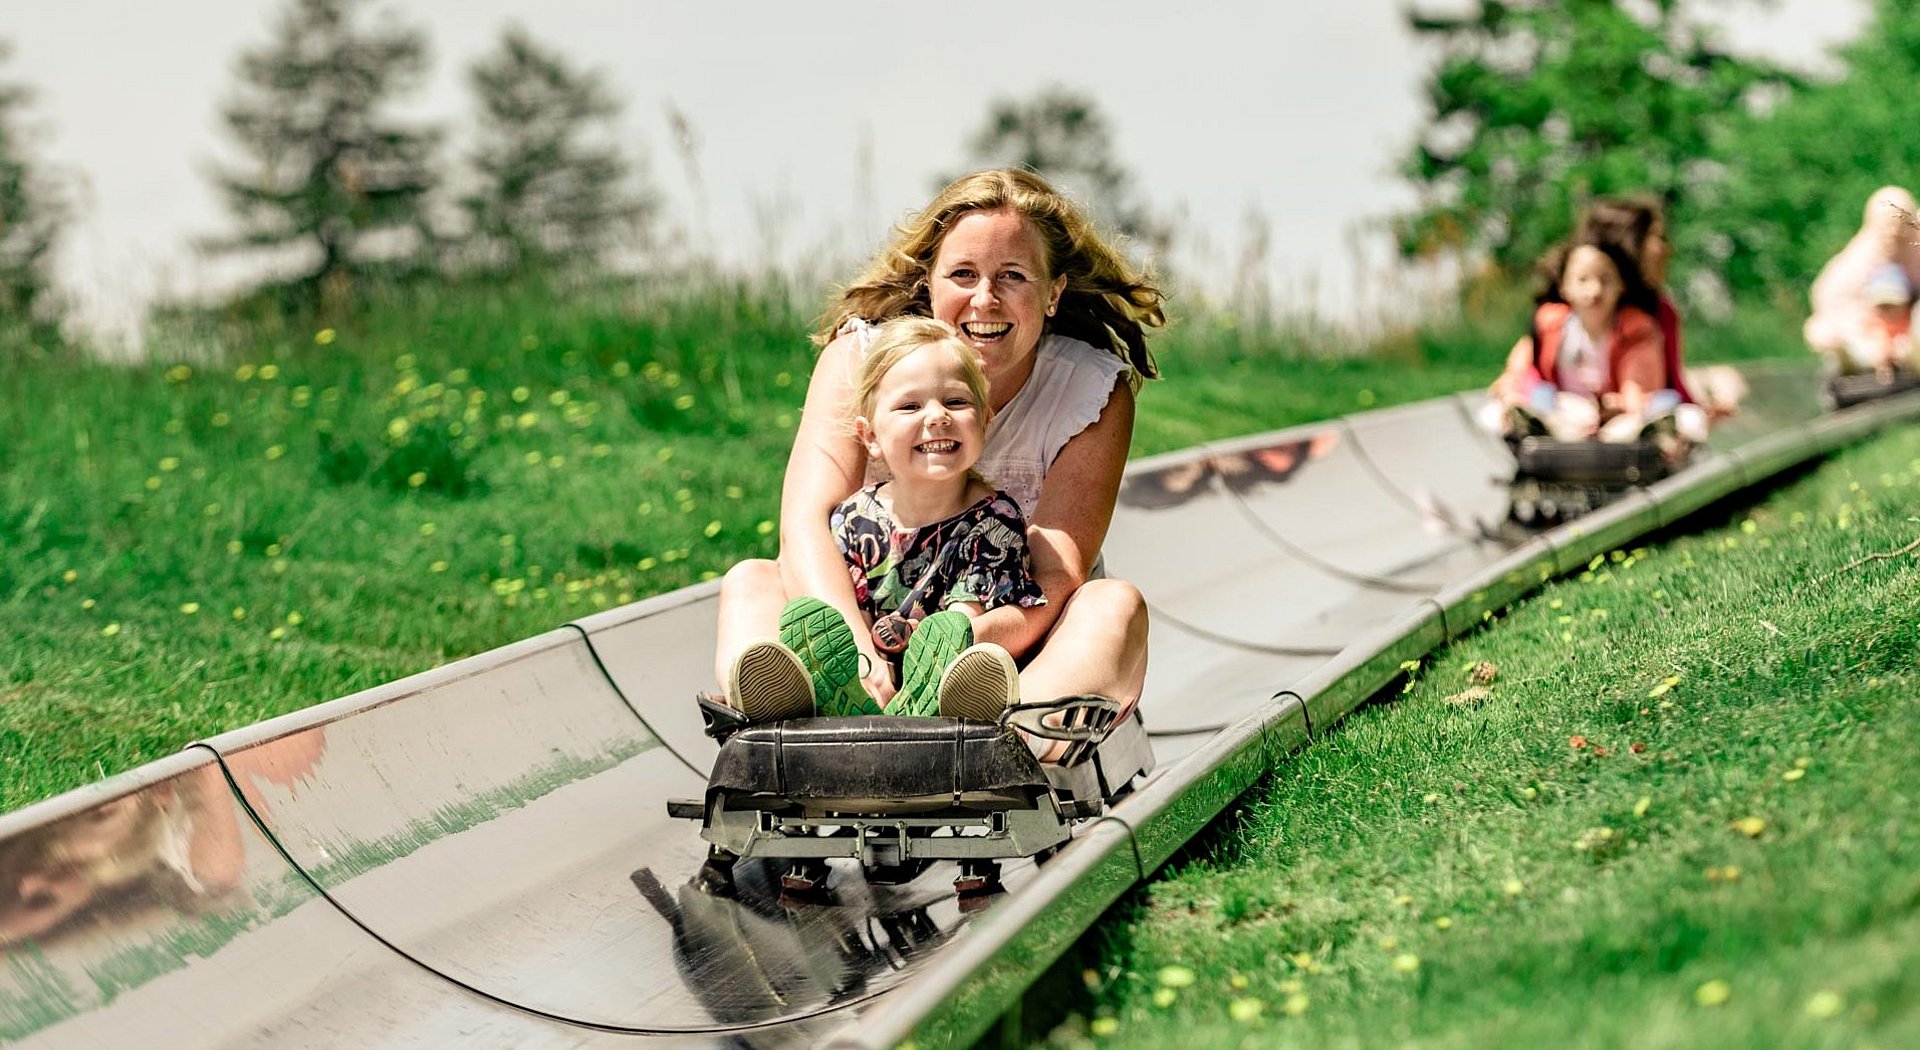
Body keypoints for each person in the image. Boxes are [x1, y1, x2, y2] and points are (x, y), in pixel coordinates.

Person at [713, 168, 1164, 761]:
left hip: (1007, 644)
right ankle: (799, 714)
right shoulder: (860, 360)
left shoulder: (1090, 391)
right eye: (963, 275)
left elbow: (1058, 574)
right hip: (855, 627)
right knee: (751, 580)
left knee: (1115, 605)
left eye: (1013, 277)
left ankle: (997, 739)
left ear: (1053, 292)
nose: (985, 299)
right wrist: (858, 648)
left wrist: (953, 649)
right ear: (929, 282)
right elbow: (806, 521)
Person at [727, 316, 1044, 722]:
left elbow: (967, 616)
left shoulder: (994, 521)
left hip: (942, 678)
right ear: (871, 437)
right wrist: (866, 666)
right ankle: (796, 705)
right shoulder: (855, 517)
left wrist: (919, 666)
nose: (937, 417)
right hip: (867, 669)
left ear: (984, 421)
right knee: (762, 589)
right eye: (910, 406)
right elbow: (846, 610)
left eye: (956, 402)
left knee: (955, 642)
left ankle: (922, 712)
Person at [1488, 236, 1672, 445]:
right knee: (1505, 409)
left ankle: (1635, 441)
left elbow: (1636, 396)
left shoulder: (1636, 332)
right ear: (1564, 286)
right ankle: (1545, 431)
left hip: (1616, 418)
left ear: (1621, 285)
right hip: (1562, 409)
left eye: (1605, 280)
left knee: (1670, 409)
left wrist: (1615, 405)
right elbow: (1517, 373)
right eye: (1583, 280)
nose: (1594, 291)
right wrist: (1512, 395)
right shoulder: (1549, 325)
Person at [1805, 185, 1920, 377]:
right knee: (1827, 332)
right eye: (1887, 225)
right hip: (1870, 331)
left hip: (1910, 332)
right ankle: (1852, 363)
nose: (1894, 232)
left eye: (1900, 224)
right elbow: (1828, 298)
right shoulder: (1858, 260)